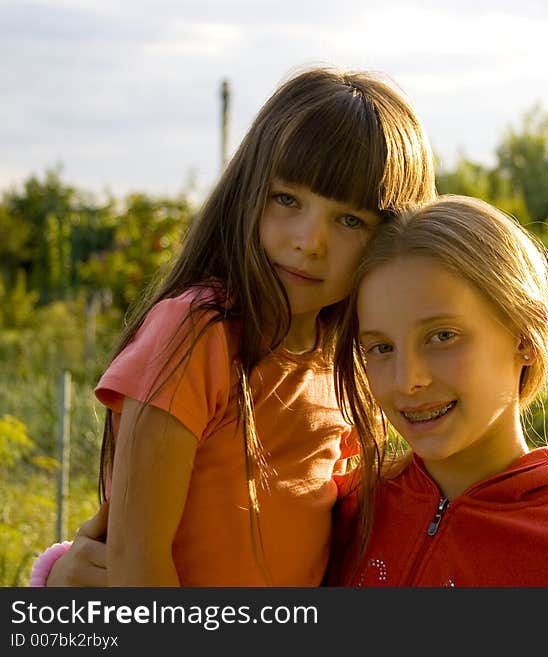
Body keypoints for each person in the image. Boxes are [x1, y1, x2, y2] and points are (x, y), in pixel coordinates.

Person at [30, 65, 436, 586]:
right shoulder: (199, 332)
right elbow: (137, 566)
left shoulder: (349, 367)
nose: (309, 241)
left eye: (350, 220)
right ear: (248, 191)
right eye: (287, 199)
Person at [325, 195, 548, 586]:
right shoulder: (349, 509)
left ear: (525, 336)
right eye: (382, 348)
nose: (407, 380)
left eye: (442, 336)